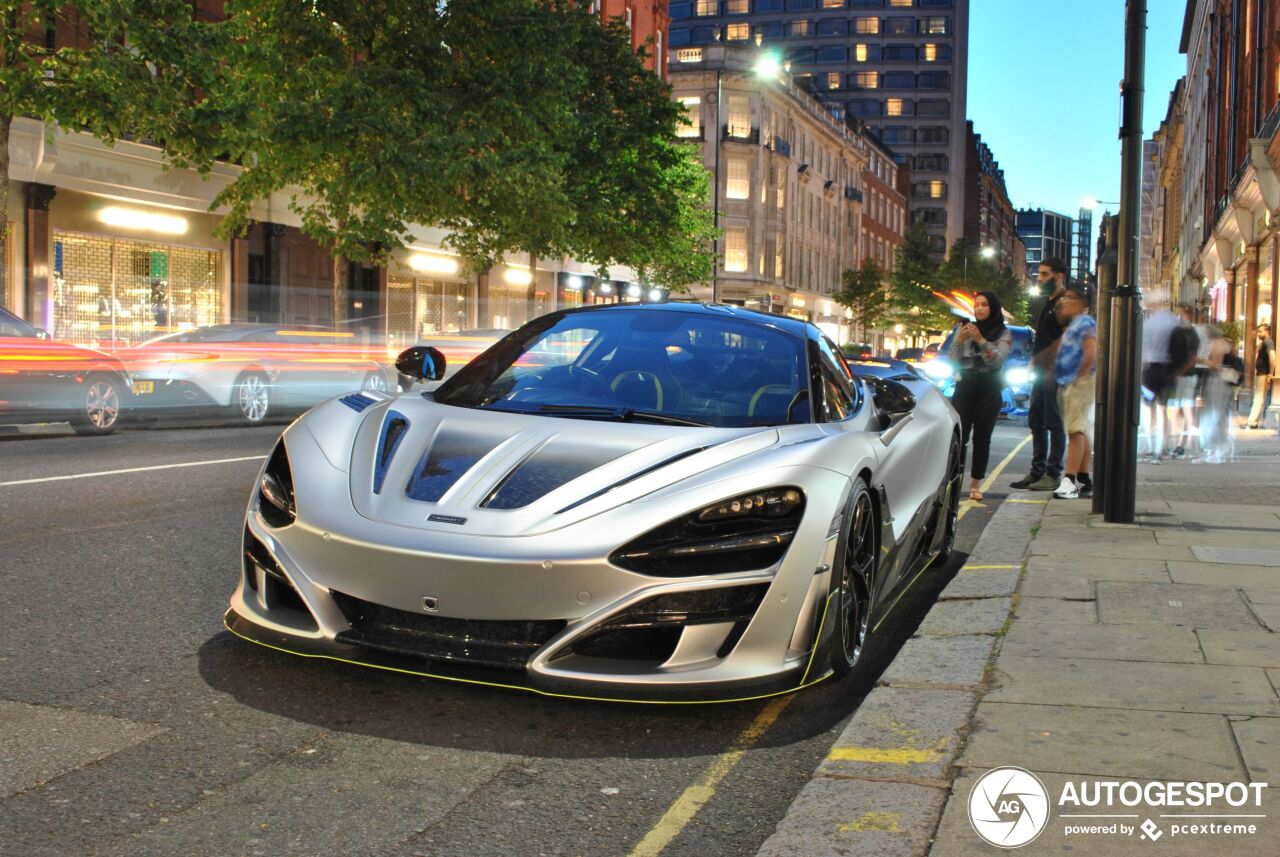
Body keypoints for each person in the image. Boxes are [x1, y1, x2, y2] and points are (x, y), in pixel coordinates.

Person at [1010, 258, 1067, 491]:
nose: (1040, 279)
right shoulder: (1049, 303)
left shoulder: (1064, 304)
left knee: (1054, 422)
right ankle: (1037, 471)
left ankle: (1052, 474)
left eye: (1044, 274)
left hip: (1054, 374)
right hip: (1041, 373)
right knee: (1036, 420)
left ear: (1059, 276)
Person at [950, 291, 1012, 501]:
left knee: (982, 438)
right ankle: (954, 480)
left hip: (989, 387)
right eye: (977, 305)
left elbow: (997, 361)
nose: (980, 308)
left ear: (993, 308)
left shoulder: (1004, 333)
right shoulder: (964, 329)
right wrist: (959, 340)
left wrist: (980, 339)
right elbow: (952, 359)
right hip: (965, 386)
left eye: (985, 304)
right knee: (959, 436)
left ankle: (975, 484)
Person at [1050, 285, 1096, 499]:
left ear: (1083, 304)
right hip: (1072, 381)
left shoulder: (1085, 322)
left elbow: (1091, 350)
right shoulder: (1073, 325)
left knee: (1075, 431)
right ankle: (1085, 478)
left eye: (1069, 298)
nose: (1064, 302)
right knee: (1080, 429)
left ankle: (1069, 481)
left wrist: (1079, 376)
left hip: (1079, 382)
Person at [1167, 305, 1201, 459]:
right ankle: (1180, 443)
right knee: (1177, 409)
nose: (1178, 318)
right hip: (1183, 375)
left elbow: (1192, 357)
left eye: (1180, 315)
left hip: (1185, 376)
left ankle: (1185, 443)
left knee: (1185, 409)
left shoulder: (1190, 334)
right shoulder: (1185, 333)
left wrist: (1179, 372)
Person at [1198, 325, 1234, 463]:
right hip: (1225, 382)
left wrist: (1201, 360)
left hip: (1215, 381)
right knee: (1220, 414)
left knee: (1211, 413)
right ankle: (1219, 449)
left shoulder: (1215, 344)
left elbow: (1215, 365)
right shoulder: (1227, 343)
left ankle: (1213, 449)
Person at [1246, 323, 1277, 429]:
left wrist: (1270, 373)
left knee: (1258, 397)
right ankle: (1253, 420)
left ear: (1266, 331)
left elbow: (1272, 357)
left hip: (1264, 373)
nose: (1259, 334)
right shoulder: (1264, 343)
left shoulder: (1269, 341)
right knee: (1258, 397)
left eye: (1260, 331)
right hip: (1261, 373)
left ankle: (1252, 421)